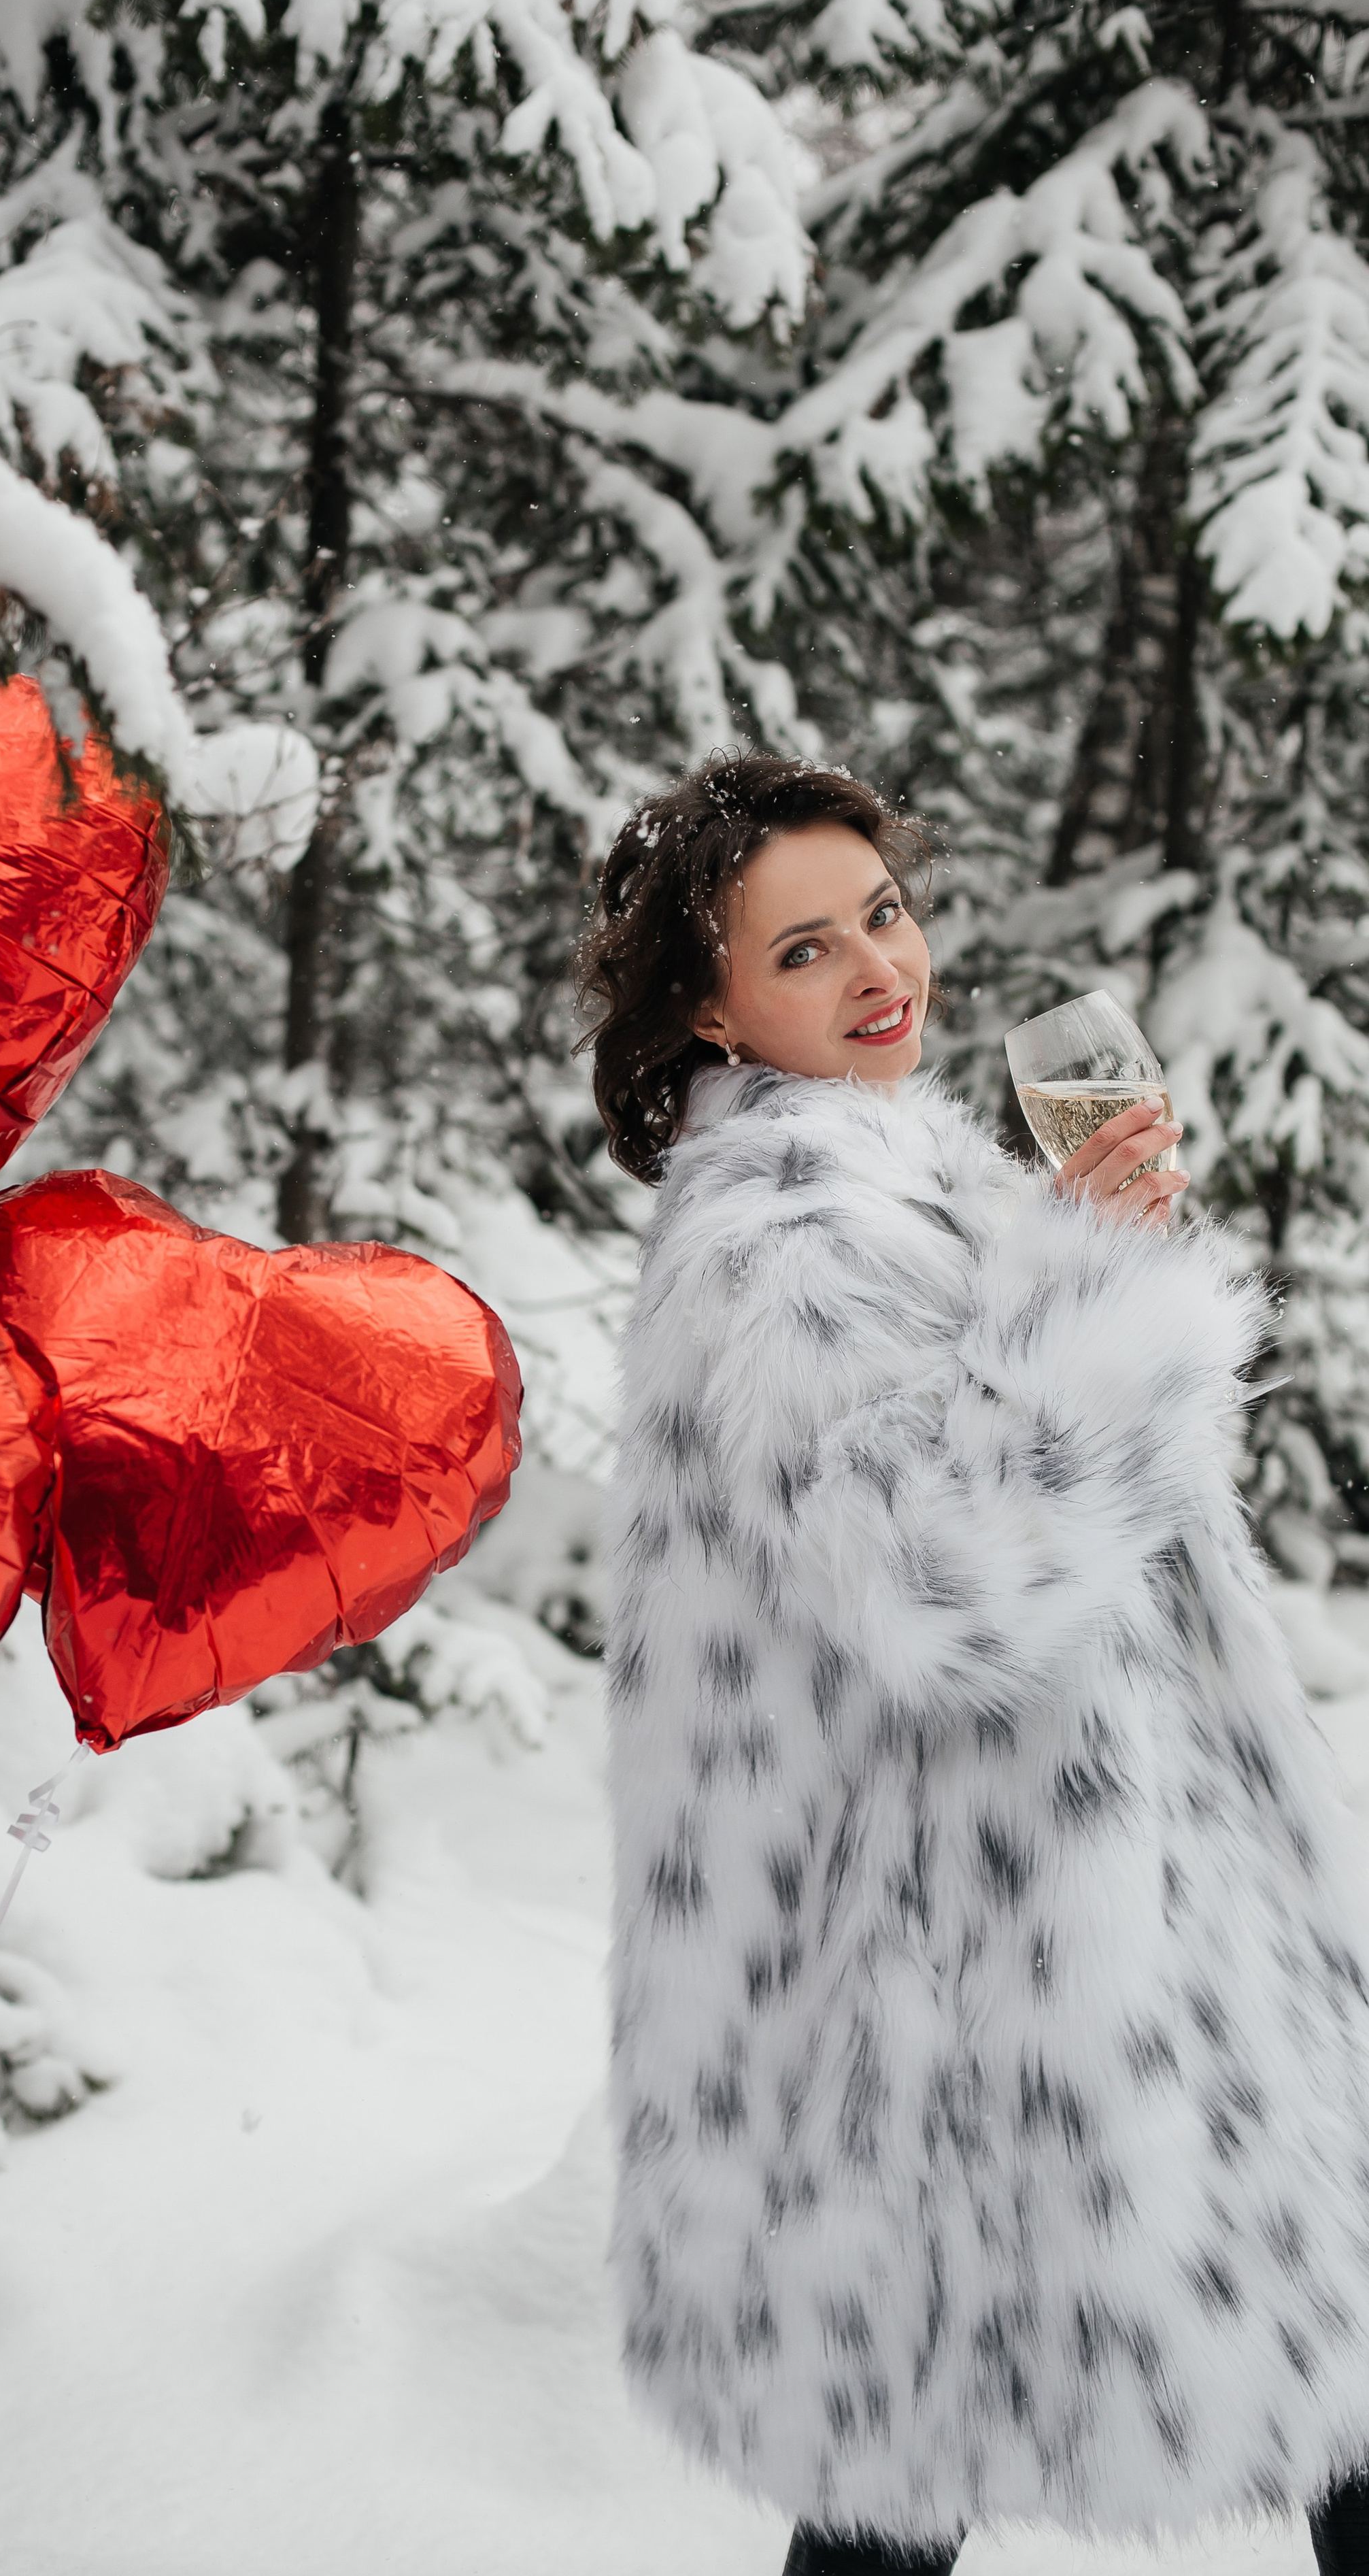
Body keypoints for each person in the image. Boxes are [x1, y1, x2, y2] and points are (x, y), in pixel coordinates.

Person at [575, 752, 1369, 2576]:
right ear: (711, 1007)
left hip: (1058, 1927)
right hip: (979, 1969)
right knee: (920, 2463)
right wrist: (1098, 1284)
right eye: (806, 949)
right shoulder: (784, 1239)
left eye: (887, 912)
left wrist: (1086, 1263)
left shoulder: (887, 1181)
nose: (879, 970)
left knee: (909, 2469)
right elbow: (950, 1579)